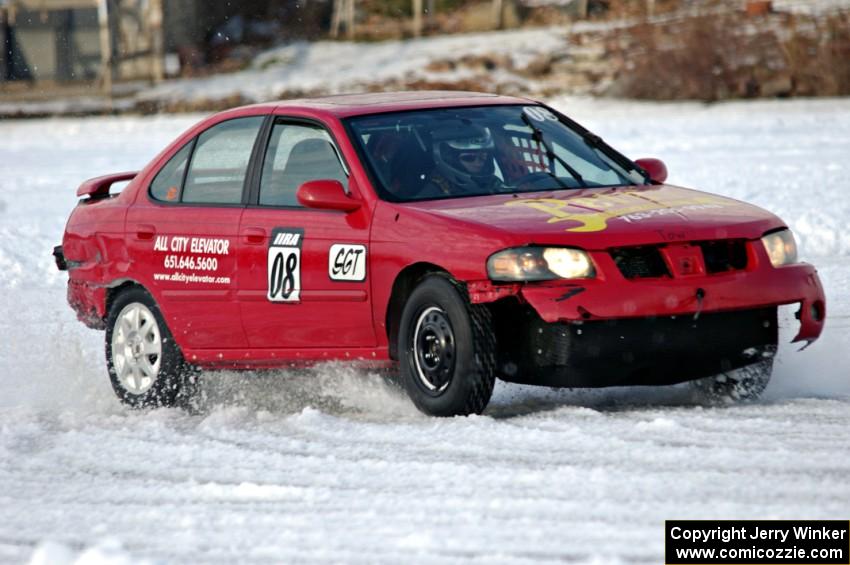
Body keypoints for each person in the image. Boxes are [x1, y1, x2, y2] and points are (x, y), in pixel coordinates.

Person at [420, 125, 506, 198]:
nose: (478, 163)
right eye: (469, 157)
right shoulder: (433, 192)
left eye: (483, 157)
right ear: (449, 158)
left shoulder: (493, 183)